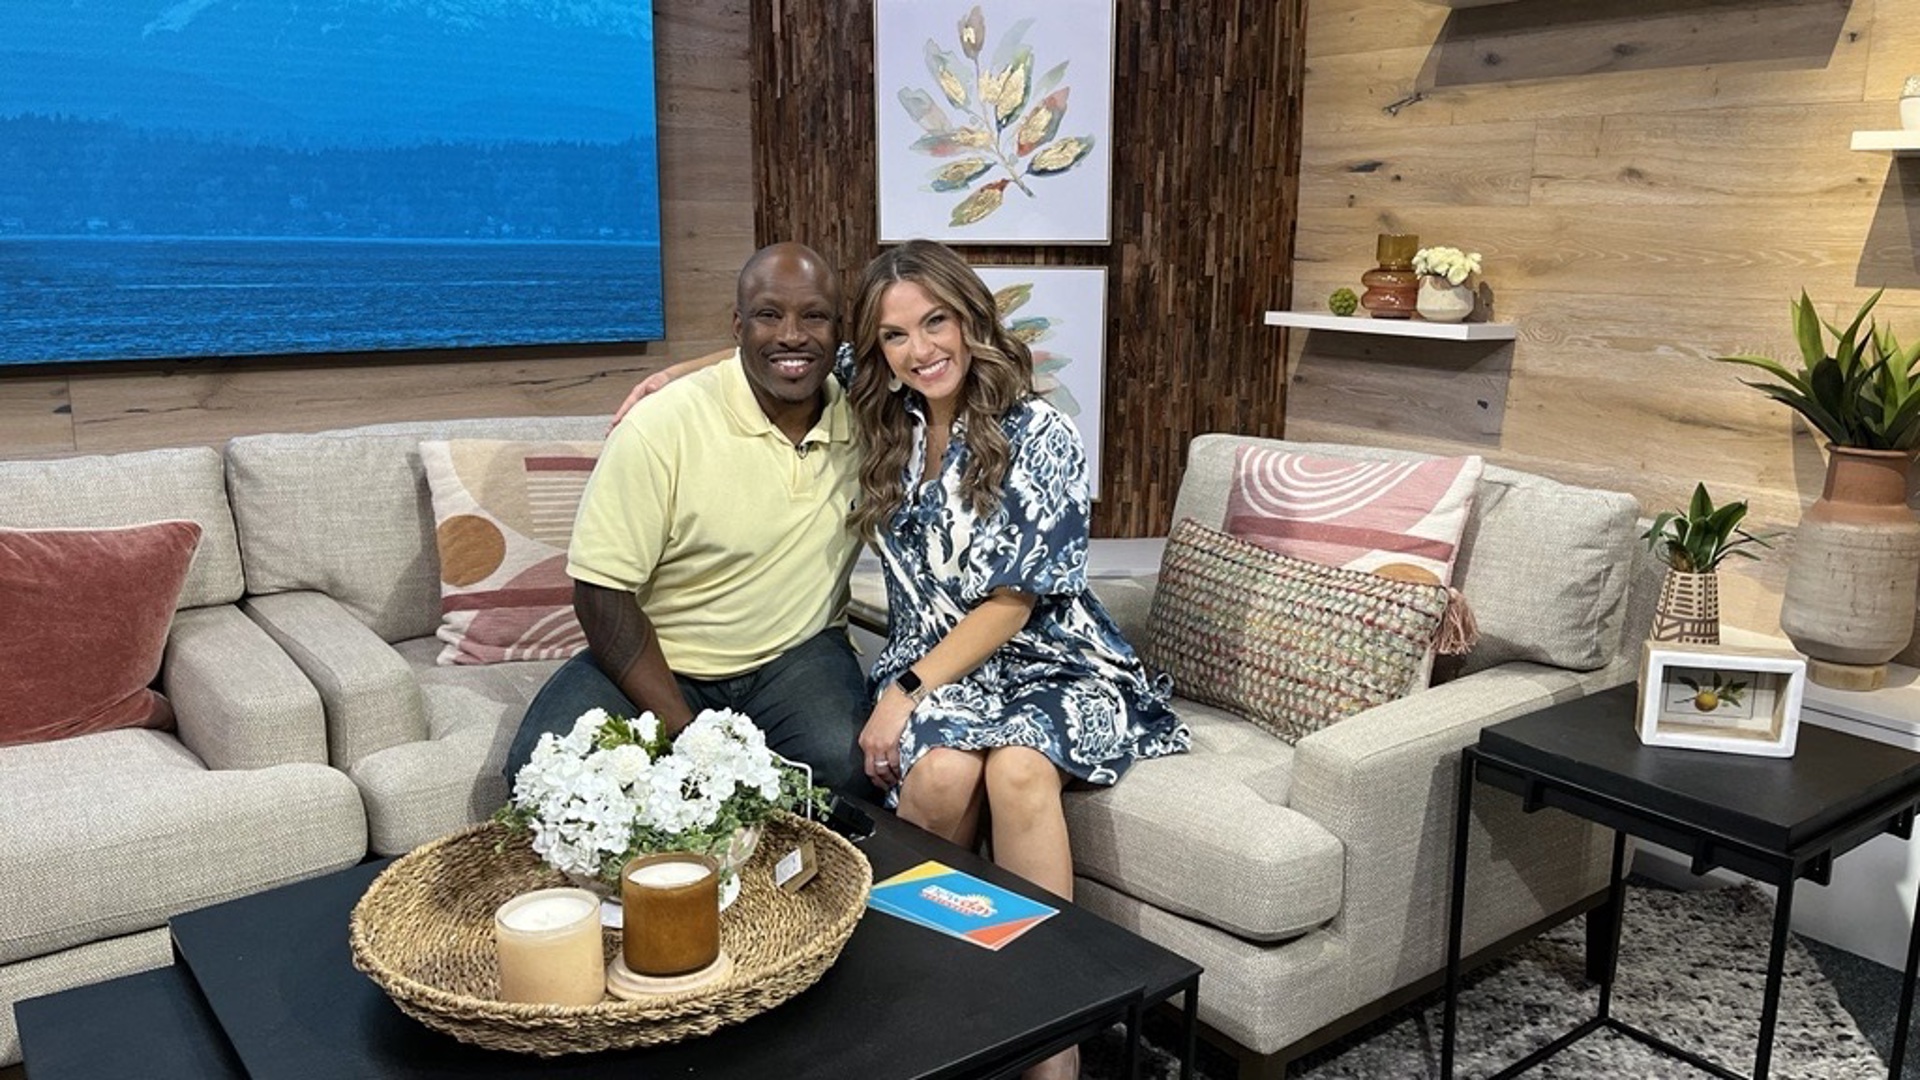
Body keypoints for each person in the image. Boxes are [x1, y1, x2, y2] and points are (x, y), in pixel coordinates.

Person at [851, 241, 1188, 1080]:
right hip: (944, 666)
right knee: (938, 781)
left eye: (936, 321)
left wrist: (901, 693)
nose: (921, 349)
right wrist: (674, 373)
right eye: (895, 336)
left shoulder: (1042, 430)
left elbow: (1016, 601)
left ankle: (1053, 1051)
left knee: (1017, 776)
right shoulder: (884, 425)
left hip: (1054, 663)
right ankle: (927, 1011)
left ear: (971, 320)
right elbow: (790, 350)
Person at [503, 242, 867, 796]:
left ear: (839, 331)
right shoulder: (662, 425)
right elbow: (600, 595)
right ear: (738, 326)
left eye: (813, 316)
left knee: (845, 770)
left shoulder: (870, 418)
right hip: (664, 657)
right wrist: (686, 734)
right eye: (769, 315)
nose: (792, 335)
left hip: (798, 656)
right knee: (541, 775)